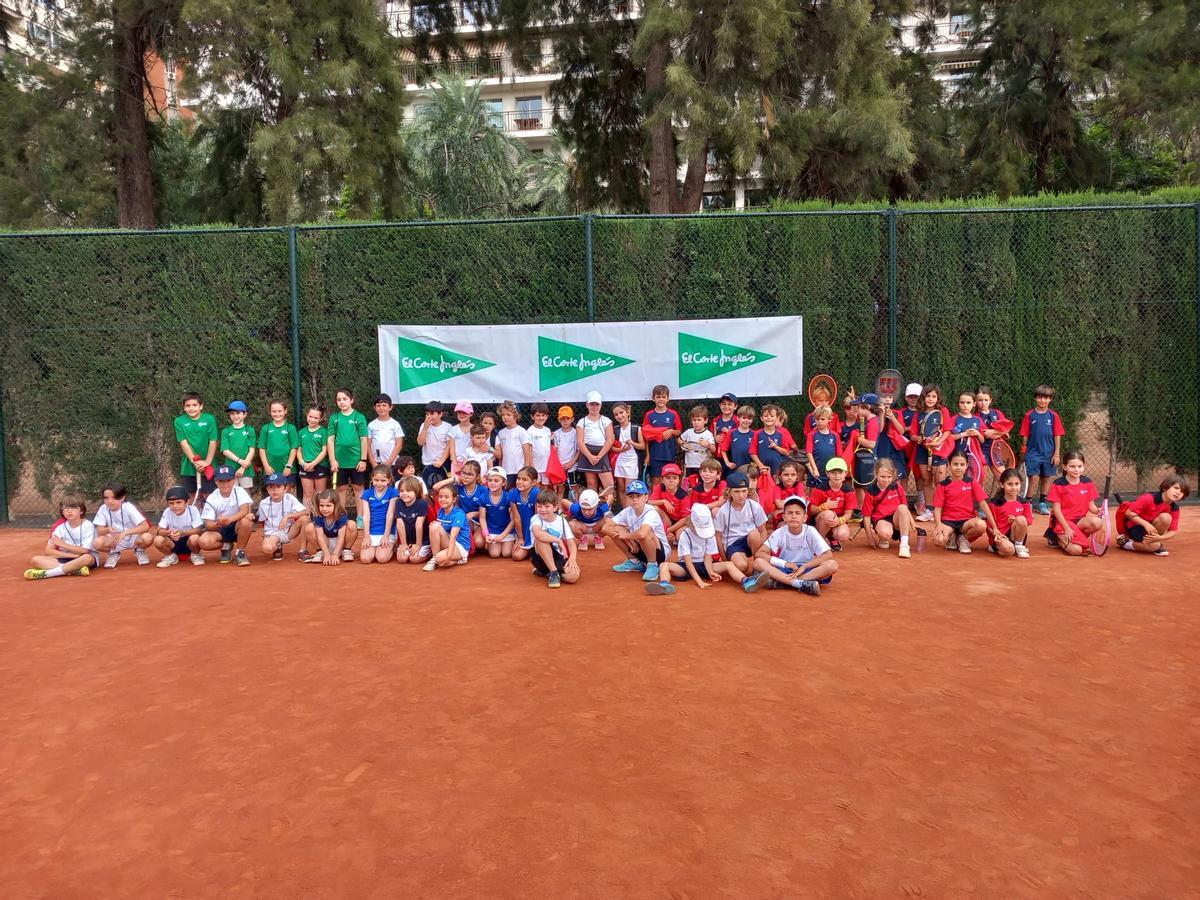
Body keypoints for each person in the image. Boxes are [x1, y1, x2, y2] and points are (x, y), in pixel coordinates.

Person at [742, 497, 838, 596]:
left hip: (807, 570)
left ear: (805, 517)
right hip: (784, 569)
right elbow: (760, 553)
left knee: (832, 565)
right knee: (758, 562)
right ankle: (799, 584)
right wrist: (785, 563)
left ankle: (783, 582)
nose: (793, 516)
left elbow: (828, 554)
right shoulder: (780, 532)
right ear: (784, 517)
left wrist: (805, 566)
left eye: (797, 513)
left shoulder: (810, 531)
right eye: (790, 513)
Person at [646, 502, 746, 595]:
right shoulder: (685, 535)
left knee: (729, 564)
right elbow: (688, 563)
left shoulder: (710, 535)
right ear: (691, 523)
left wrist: (710, 572)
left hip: (704, 566)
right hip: (685, 567)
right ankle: (664, 584)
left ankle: (745, 580)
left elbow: (707, 557)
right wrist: (699, 581)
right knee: (664, 565)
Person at [604, 479, 671, 582]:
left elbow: (642, 533)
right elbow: (606, 527)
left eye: (638, 496)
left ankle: (653, 565)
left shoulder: (651, 512)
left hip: (660, 553)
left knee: (645, 534)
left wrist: (625, 536)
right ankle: (634, 562)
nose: (634, 499)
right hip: (640, 547)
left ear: (646, 497)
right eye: (631, 497)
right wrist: (627, 538)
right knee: (616, 529)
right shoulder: (628, 511)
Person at [932, 450, 995, 554]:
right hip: (948, 521)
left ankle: (963, 539)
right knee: (938, 540)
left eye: (962, 464)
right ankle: (951, 535)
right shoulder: (942, 485)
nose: (958, 467)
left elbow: (983, 504)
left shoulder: (971, 482)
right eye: (955, 464)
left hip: (966, 521)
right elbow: (937, 509)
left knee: (981, 525)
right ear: (949, 465)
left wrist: (995, 527)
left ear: (966, 466)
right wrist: (938, 525)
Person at [25, 495, 98, 580]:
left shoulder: (88, 526)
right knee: (35, 560)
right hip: (69, 558)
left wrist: (63, 544)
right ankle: (74, 570)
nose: (69, 511)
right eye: (66, 508)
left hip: (84, 558)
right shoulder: (60, 528)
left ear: (81, 511)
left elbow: (84, 551)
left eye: (73, 508)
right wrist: (72, 556)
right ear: (62, 512)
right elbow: (48, 550)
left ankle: (48, 574)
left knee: (87, 558)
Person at [1020, 384, 1066, 515]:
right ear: (1035, 398)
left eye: (1046, 398)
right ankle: (1027, 502)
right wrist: (1023, 451)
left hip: (1049, 453)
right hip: (1033, 453)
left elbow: (1057, 435)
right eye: (1040, 397)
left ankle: (1042, 502)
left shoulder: (1053, 416)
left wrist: (1056, 454)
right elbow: (1025, 435)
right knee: (1033, 477)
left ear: (1050, 399)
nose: (1042, 401)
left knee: (1047, 477)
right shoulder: (1029, 415)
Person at [1046, 450, 1101, 557]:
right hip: (1062, 522)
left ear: (1084, 466)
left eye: (1079, 466)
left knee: (1097, 522)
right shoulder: (1058, 484)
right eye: (1072, 466)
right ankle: (1057, 538)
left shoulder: (1087, 482)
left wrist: (1099, 510)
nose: (1076, 470)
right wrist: (1066, 528)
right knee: (1076, 551)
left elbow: (1091, 506)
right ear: (1065, 467)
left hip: (1080, 521)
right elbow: (1056, 510)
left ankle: (1076, 537)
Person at [1118, 475, 1189, 556]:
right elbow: (1129, 513)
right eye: (1176, 488)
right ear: (1165, 488)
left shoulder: (1174, 508)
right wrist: (1146, 524)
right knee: (1155, 546)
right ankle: (1126, 544)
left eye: (1182, 491)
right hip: (1134, 526)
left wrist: (1160, 538)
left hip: (1151, 529)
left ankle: (1151, 541)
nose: (1178, 492)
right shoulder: (1148, 498)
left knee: (1166, 517)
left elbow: (1172, 532)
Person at [713, 470, 768, 574]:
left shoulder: (754, 506)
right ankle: (740, 564)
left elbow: (763, 531)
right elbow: (718, 536)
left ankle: (758, 565)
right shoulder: (724, 510)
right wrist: (725, 559)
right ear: (729, 492)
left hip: (750, 541)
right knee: (742, 566)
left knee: (754, 533)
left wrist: (761, 551)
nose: (741, 495)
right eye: (737, 492)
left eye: (744, 491)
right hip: (733, 544)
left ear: (748, 491)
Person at [328, 388, 370, 521]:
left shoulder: (359, 417)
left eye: (345, 399)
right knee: (341, 488)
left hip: (356, 461)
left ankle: (360, 517)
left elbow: (364, 439)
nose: (342, 402)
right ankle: (341, 516)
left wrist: (363, 459)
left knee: (358, 487)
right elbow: (330, 440)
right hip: (339, 462)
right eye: (339, 400)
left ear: (351, 400)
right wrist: (332, 460)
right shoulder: (334, 418)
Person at [198, 466, 254, 565]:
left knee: (246, 521)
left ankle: (239, 553)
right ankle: (225, 546)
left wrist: (229, 519)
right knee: (203, 542)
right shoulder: (212, 497)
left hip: (237, 526)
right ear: (216, 481)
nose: (225, 484)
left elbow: (244, 511)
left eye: (228, 480)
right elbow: (208, 524)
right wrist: (219, 523)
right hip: (220, 529)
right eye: (221, 481)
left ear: (233, 480)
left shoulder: (239, 491)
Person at [860, 458, 914, 558]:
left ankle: (904, 545)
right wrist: (869, 537)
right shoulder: (871, 491)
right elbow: (866, 516)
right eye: (882, 476)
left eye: (889, 477)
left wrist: (912, 523)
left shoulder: (897, 487)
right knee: (886, 533)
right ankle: (883, 538)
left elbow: (905, 508)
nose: (886, 480)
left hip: (897, 518)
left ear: (894, 476)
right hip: (882, 519)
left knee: (902, 507)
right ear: (876, 474)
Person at [92, 480, 152, 567]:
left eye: (113, 497)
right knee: (97, 543)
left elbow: (145, 526)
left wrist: (125, 533)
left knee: (148, 538)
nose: (110, 501)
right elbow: (99, 530)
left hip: (133, 538)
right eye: (106, 498)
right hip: (114, 539)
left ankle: (140, 550)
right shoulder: (103, 508)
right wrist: (108, 529)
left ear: (122, 498)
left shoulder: (129, 507)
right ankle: (113, 553)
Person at [529, 489, 580, 588]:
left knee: (573, 577)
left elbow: (571, 542)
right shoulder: (536, 518)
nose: (543, 510)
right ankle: (553, 572)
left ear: (555, 507)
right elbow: (537, 534)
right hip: (540, 557)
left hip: (558, 556)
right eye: (539, 506)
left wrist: (573, 559)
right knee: (541, 539)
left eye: (547, 506)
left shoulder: (561, 520)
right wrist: (557, 540)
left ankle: (545, 572)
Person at [915, 384, 952, 521]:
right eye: (928, 396)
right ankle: (929, 510)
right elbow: (913, 434)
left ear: (938, 398)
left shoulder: (943, 411)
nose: (930, 399)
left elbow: (947, 430)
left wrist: (938, 442)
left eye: (933, 396)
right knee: (926, 479)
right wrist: (918, 438)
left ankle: (942, 509)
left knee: (940, 481)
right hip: (922, 451)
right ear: (923, 398)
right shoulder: (919, 413)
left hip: (938, 450)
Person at [434, 460, 489, 551]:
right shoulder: (459, 487)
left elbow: (489, 511)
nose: (466, 477)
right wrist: (454, 479)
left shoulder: (483, 490)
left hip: (480, 522)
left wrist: (474, 513)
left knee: (478, 543)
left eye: (470, 474)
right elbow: (436, 487)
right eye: (464, 473)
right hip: (463, 521)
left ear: (477, 477)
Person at [175, 391, 219, 501]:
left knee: (209, 497)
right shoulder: (179, 421)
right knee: (190, 498)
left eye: (194, 405)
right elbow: (183, 443)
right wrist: (195, 462)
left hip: (208, 466)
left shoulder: (209, 419)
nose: (191, 408)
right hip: (189, 467)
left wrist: (207, 462)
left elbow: (213, 441)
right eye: (188, 406)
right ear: (184, 407)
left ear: (201, 406)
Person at [152, 485, 206, 567]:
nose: (175, 506)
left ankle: (195, 555)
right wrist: (168, 533)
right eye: (171, 503)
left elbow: (198, 530)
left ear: (187, 502)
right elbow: (159, 531)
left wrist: (182, 533)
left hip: (189, 543)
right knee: (158, 540)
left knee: (195, 537)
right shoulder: (167, 512)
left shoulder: (193, 510)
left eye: (178, 502)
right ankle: (171, 557)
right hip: (173, 542)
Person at [258, 472, 309, 560]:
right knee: (267, 549)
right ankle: (277, 545)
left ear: (285, 488)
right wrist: (267, 537)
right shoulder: (263, 503)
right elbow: (262, 520)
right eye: (271, 487)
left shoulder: (289, 498)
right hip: (273, 533)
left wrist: (288, 516)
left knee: (305, 518)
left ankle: (303, 550)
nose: (275, 490)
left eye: (278, 487)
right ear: (267, 489)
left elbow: (306, 511)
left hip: (289, 532)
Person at [809, 457, 856, 551]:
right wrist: (824, 507)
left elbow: (848, 514)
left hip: (837, 520)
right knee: (829, 514)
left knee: (843, 535)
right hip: (821, 520)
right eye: (833, 472)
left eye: (840, 472)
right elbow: (811, 510)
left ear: (845, 473)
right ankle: (820, 541)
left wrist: (839, 521)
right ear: (827, 474)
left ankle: (831, 537)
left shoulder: (849, 490)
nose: (837, 475)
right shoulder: (821, 488)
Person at [301, 489, 358, 566]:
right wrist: (326, 553)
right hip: (325, 543)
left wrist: (335, 554)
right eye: (322, 505)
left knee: (352, 524)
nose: (324, 509)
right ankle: (320, 552)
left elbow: (341, 537)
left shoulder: (341, 515)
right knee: (309, 527)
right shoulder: (317, 515)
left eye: (328, 505)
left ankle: (346, 550)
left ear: (336, 505)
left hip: (339, 543)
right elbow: (320, 535)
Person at [575, 391, 615, 496]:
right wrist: (590, 457)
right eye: (592, 404)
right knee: (591, 483)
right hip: (587, 453)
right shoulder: (581, 422)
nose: (594, 407)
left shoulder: (607, 421)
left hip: (601, 453)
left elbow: (610, 440)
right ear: (587, 404)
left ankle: (606, 510)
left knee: (609, 486)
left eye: (597, 404)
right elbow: (580, 441)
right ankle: (593, 509)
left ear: (600, 405)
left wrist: (598, 456)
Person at [986, 467, 1031, 558]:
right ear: (1002, 485)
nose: (1014, 487)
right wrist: (997, 535)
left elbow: (1028, 521)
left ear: (1020, 484)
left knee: (1021, 519)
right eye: (1010, 484)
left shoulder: (1024, 502)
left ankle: (1019, 546)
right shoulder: (995, 503)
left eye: (1017, 484)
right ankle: (996, 547)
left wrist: (1016, 520)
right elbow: (989, 526)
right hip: (999, 535)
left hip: (1016, 536)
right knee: (1009, 550)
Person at [642, 384, 682, 486]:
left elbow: (679, 431)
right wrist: (647, 455)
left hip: (670, 454)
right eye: (658, 397)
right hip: (655, 454)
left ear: (668, 399)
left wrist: (671, 431)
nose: (661, 399)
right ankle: (656, 501)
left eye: (663, 397)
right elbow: (646, 436)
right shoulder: (649, 415)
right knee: (656, 481)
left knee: (670, 480)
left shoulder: (673, 414)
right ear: (653, 398)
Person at [358, 465, 398, 564]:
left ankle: (392, 546)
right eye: (376, 480)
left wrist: (386, 536)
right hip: (371, 532)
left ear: (389, 480)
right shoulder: (367, 493)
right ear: (372, 479)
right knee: (365, 559)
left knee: (381, 558)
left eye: (383, 480)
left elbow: (390, 514)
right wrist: (366, 536)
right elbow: (366, 515)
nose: (379, 483)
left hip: (387, 532)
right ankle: (377, 547)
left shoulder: (393, 493)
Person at [425, 484, 470, 570]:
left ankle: (458, 557)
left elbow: (453, 537)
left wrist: (449, 556)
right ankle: (436, 559)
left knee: (441, 559)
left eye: (446, 497)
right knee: (434, 526)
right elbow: (442, 531)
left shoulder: (458, 514)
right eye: (441, 497)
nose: (443, 500)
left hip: (460, 546)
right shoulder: (441, 511)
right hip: (448, 542)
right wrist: (435, 526)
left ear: (454, 499)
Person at [610, 401, 644, 510]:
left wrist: (632, 443)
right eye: (616, 414)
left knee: (629, 488)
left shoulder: (636, 428)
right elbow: (611, 448)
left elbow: (642, 446)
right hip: (619, 461)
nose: (619, 416)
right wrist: (621, 449)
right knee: (620, 487)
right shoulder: (615, 430)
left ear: (627, 412)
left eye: (621, 413)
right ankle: (625, 510)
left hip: (632, 461)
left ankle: (631, 511)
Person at [258, 398, 299, 487]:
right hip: (270, 469)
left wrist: (288, 466)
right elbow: (262, 448)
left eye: (279, 411)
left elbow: (294, 448)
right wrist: (266, 466)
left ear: (285, 411)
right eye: (274, 411)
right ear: (270, 412)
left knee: (286, 493)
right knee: (273, 492)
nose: (277, 414)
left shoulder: (290, 428)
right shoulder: (266, 428)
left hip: (287, 469)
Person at [751, 404, 798, 477]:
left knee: (777, 487)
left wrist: (776, 447)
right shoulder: (757, 434)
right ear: (761, 418)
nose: (769, 418)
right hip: (763, 470)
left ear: (776, 418)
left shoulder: (781, 433)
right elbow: (753, 453)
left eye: (772, 416)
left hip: (779, 471)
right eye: (766, 416)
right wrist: (761, 466)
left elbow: (787, 453)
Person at [296, 405, 330, 504]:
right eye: (310, 417)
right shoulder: (301, 432)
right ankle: (306, 518)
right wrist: (302, 463)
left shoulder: (324, 432)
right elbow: (299, 451)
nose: (312, 420)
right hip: (305, 466)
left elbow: (324, 451)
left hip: (320, 465)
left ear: (321, 419)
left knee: (320, 494)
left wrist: (313, 464)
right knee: (307, 494)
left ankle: (319, 518)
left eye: (316, 418)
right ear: (307, 416)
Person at [220, 400, 257, 491]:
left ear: (245, 414)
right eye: (232, 413)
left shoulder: (250, 430)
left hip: (246, 469)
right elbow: (225, 450)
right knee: (232, 494)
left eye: (238, 413)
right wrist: (240, 461)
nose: (235, 416)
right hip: (231, 468)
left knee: (246, 494)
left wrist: (243, 467)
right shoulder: (226, 431)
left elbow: (252, 450)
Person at [481, 466, 518, 558]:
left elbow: (513, 520)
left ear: (504, 482)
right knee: (494, 554)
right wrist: (486, 535)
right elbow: (482, 518)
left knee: (506, 554)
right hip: (492, 531)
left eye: (496, 481)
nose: (492, 483)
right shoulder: (483, 497)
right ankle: (488, 545)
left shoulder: (508, 497)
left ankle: (512, 540)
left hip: (507, 531)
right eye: (490, 480)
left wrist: (502, 535)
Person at [393, 476, 430, 564]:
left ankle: (429, 551)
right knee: (402, 559)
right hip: (408, 539)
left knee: (414, 559)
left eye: (408, 491)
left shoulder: (422, 503)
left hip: (422, 539)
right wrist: (404, 543)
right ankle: (407, 546)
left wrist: (418, 544)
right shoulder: (398, 502)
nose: (404, 493)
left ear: (416, 491)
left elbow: (419, 524)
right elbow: (399, 524)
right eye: (402, 491)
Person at [416, 400, 453, 489]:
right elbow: (420, 442)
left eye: (432, 414)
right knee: (429, 489)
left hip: (443, 463)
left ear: (440, 414)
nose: (429, 416)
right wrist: (425, 427)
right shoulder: (423, 425)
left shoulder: (448, 427)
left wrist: (441, 461)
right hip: (427, 463)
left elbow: (449, 446)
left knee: (444, 488)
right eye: (427, 414)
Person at [495, 401, 532, 488]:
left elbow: (527, 452)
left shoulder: (522, 431)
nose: (505, 417)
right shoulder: (501, 433)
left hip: (519, 470)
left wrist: (526, 469)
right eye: (503, 415)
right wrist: (501, 470)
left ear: (515, 415)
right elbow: (501, 454)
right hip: (506, 471)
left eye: (508, 415)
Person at [804, 406, 842, 489]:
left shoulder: (835, 435)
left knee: (828, 494)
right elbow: (809, 453)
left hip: (829, 472)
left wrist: (837, 471)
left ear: (829, 419)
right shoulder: (812, 435)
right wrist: (814, 469)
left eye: (822, 419)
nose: (819, 422)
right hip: (815, 471)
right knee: (812, 494)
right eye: (817, 419)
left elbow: (839, 456)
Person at [650, 463, 692, 535]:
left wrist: (668, 530)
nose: (671, 481)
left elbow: (685, 518)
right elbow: (648, 502)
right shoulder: (659, 488)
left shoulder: (683, 495)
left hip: (679, 523)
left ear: (679, 480)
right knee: (654, 508)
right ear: (662, 479)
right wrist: (663, 501)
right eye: (668, 478)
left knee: (680, 536)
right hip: (666, 520)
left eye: (674, 478)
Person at [368, 393, 406, 474]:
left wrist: (389, 462)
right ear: (375, 408)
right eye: (378, 405)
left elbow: (399, 444)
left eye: (384, 405)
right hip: (376, 465)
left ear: (390, 407)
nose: (381, 408)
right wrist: (373, 462)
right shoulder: (371, 425)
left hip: (392, 464)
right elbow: (367, 445)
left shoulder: (395, 424)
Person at [508, 465, 540, 562]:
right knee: (516, 556)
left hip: (536, 530)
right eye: (518, 479)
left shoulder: (536, 493)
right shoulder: (513, 493)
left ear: (533, 482)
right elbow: (516, 517)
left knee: (540, 555)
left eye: (524, 480)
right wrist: (521, 538)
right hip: (523, 530)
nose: (520, 482)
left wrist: (536, 540)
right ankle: (529, 549)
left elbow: (538, 518)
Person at [680, 405, 716, 478]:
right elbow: (679, 439)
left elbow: (713, 449)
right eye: (694, 420)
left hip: (703, 465)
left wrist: (708, 445)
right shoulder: (688, 432)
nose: (696, 422)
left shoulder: (708, 434)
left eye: (699, 420)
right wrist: (683, 444)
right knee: (689, 484)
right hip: (689, 464)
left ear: (705, 420)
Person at [720, 405, 757, 473]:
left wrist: (755, 463)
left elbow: (758, 451)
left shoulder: (755, 434)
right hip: (736, 468)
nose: (746, 420)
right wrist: (727, 463)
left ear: (752, 420)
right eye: (744, 418)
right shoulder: (732, 433)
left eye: (749, 418)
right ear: (738, 418)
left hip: (751, 469)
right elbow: (723, 449)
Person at [553, 405, 580, 497]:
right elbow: (554, 451)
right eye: (562, 419)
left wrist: (571, 463)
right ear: (559, 420)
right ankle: (560, 510)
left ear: (572, 419)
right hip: (560, 466)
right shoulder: (556, 434)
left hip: (572, 466)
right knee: (560, 489)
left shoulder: (576, 433)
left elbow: (579, 451)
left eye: (567, 418)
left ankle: (576, 509)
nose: (565, 421)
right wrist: (558, 465)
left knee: (574, 487)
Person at [527, 402, 554, 487]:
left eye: (543, 415)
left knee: (545, 489)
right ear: (532, 416)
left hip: (546, 467)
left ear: (547, 416)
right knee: (536, 490)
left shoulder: (547, 430)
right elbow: (529, 452)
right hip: (535, 467)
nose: (541, 418)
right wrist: (532, 468)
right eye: (538, 415)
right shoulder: (529, 431)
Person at [449, 401, 475, 469]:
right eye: (459, 412)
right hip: (456, 463)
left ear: (471, 414)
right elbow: (452, 449)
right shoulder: (453, 429)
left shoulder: (475, 429)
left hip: (471, 463)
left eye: (464, 412)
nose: (461, 414)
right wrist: (455, 465)